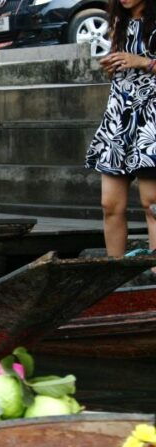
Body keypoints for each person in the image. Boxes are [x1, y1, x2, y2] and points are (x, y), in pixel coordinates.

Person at [86, 0, 156, 257]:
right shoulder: (118, 22)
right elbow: (122, 69)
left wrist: (143, 62)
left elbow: (140, 63)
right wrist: (112, 66)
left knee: (152, 205)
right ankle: (113, 271)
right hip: (120, 117)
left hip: (152, 118)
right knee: (110, 205)